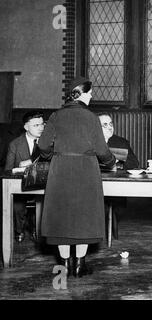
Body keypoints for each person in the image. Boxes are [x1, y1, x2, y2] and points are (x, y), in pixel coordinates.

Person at [38, 77, 116, 277]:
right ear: (80, 93)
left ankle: (64, 266)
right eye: (89, 92)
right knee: (84, 217)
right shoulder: (91, 117)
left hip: (60, 170)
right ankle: (80, 265)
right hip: (86, 170)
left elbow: (43, 146)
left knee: (62, 217)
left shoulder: (55, 116)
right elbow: (102, 150)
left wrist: (52, 156)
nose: (91, 96)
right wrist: (110, 162)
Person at [5, 110, 45, 242]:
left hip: (43, 187)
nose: (40, 128)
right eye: (36, 125)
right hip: (21, 187)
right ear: (26, 127)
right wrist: (21, 169)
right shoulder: (14, 144)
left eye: (42, 124)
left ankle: (38, 230)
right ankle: (19, 230)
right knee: (17, 206)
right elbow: (8, 171)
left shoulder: (49, 143)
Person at [98, 112, 139, 238]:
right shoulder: (91, 142)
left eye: (111, 124)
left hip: (115, 185)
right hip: (95, 184)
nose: (110, 127)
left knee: (116, 207)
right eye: (105, 125)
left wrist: (118, 162)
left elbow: (134, 163)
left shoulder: (121, 142)